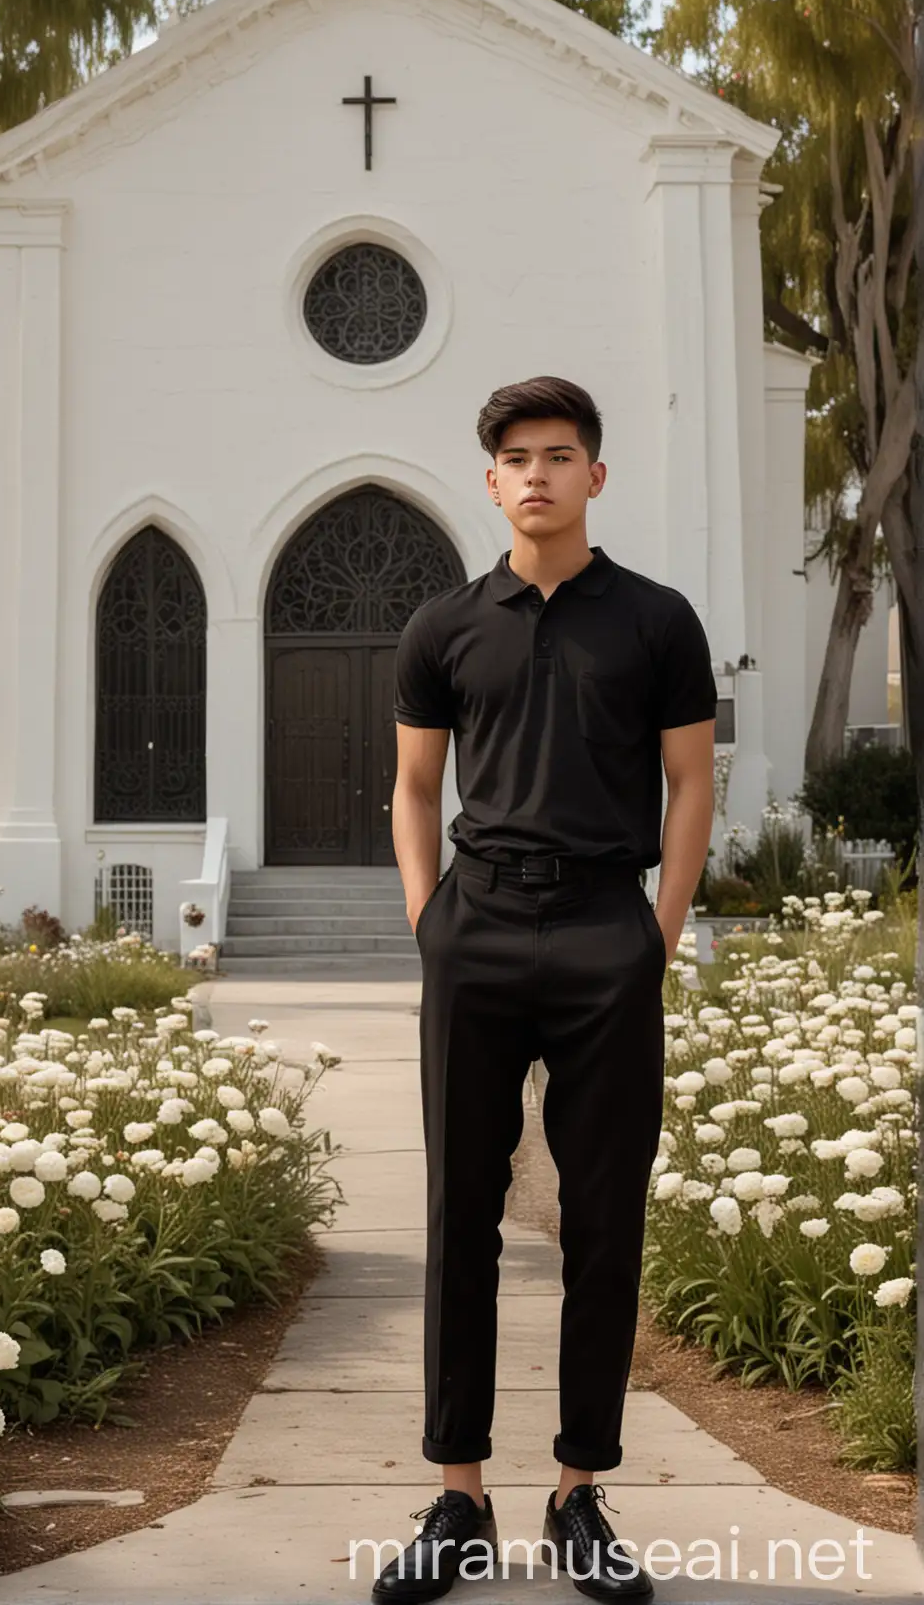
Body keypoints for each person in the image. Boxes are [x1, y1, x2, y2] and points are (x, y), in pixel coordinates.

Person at [372, 377, 716, 1605]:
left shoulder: (658, 622)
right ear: (491, 481)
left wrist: (655, 935)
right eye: (516, 457)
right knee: (458, 1213)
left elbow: (690, 788)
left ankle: (580, 1494)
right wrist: (430, 925)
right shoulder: (445, 626)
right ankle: (458, 1496)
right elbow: (416, 790)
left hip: (602, 930)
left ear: (594, 476)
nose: (536, 474)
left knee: (603, 1217)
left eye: (559, 455)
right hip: (478, 924)